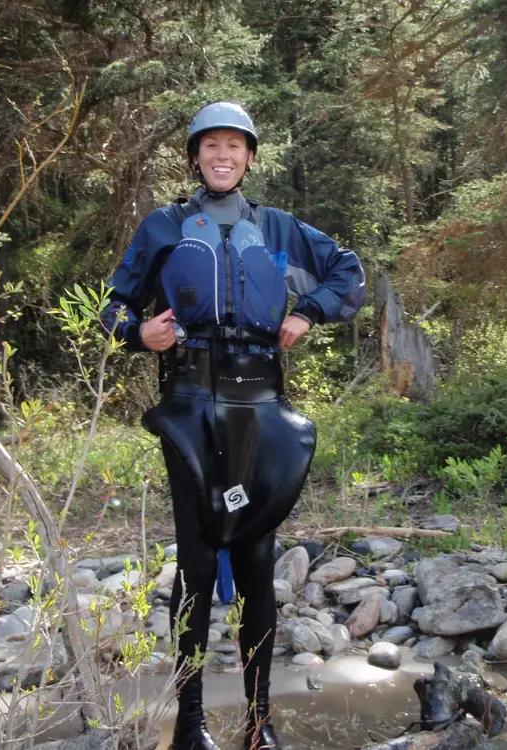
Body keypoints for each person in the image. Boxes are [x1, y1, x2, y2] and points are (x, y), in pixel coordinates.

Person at [100, 101, 365, 750]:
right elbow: (109, 311)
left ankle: (258, 724)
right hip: (191, 405)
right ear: (195, 156)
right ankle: (188, 729)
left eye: (235, 146)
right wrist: (142, 334)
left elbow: (347, 273)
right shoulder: (164, 227)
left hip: (260, 407)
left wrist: (306, 315)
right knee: (195, 561)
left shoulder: (277, 229)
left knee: (255, 557)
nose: (223, 155)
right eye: (211, 144)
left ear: (249, 158)